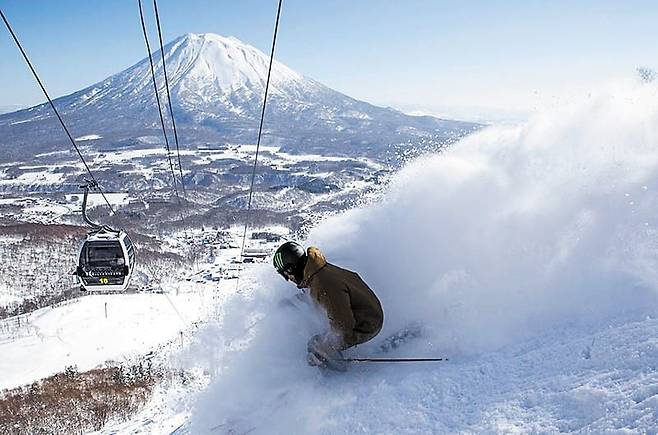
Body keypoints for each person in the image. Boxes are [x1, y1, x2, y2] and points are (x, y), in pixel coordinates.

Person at [273, 241, 384, 370]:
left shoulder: (323, 283)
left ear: (291, 268)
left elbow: (342, 325)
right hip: (361, 313)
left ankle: (337, 372)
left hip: (367, 323)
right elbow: (317, 294)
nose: (289, 279)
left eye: (286, 275)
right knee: (317, 336)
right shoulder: (316, 271)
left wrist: (324, 349)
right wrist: (293, 302)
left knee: (315, 346)